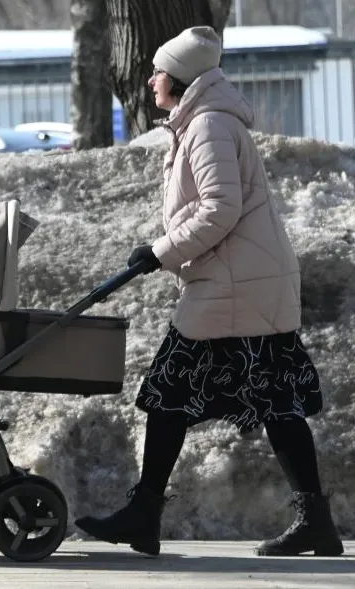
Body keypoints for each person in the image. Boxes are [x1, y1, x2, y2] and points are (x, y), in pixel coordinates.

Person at [75, 26, 343, 558]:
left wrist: (161, 252)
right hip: (245, 282)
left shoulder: (209, 125)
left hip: (236, 286)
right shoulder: (204, 122)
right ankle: (314, 521)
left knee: (170, 391)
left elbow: (220, 208)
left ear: (178, 78)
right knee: (273, 401)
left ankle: (145, 513)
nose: (150, 80)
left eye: (157, 71)